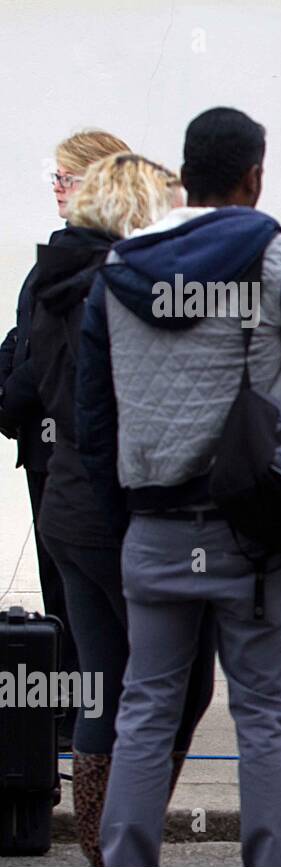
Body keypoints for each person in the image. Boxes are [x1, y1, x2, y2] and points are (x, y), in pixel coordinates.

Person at [78, 107, 281, 867]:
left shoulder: (116, 271)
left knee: (145, 711)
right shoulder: (279, 257)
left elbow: (91, 418)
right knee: (265, 714)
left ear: (184, 173)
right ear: (254, 175)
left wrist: (127, 520)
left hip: (154, 525)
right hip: (255, 531)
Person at [28, 152, 218, 866]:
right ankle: (121, 845)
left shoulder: (51, 280)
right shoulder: (121, 290)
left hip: (68, 507)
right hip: (123, 513)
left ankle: (104, 851)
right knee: (179, 683)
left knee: (105, 683)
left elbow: (33, 390)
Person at [0, 130, 129, 748]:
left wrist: (12, 396)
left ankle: (83, 718)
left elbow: (52, 361)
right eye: (54, 178)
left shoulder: (106, 265)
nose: (56, 188)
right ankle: (69, 713)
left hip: (77, 455)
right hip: (45, 449)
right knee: (62, 593)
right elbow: (21, 336)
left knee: (86, 605)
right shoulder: (56, 258)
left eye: (66, 178)